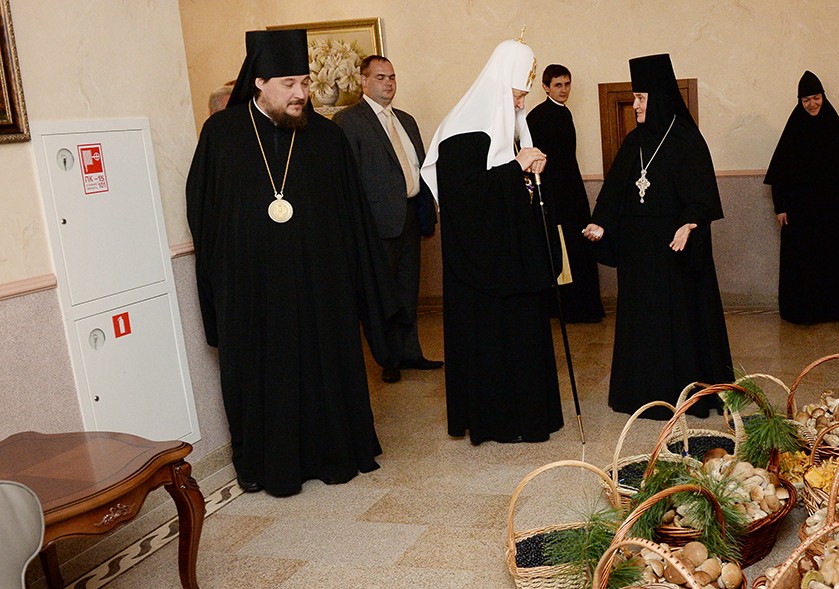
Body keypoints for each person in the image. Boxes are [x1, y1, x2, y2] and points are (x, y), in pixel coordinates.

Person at [186, 29, 408, 497]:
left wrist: (361, 285)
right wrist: (221, 284)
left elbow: (353, 219)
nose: (301, 94)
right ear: (259, 82)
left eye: (305, 83)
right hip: (253, 292)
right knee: (263, 376)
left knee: (323, 368)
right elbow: (204, 216)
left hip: (320, 288)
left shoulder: (326, 138)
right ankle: (263, 462)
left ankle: (335, 452)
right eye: (289, 84)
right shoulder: (222, 136)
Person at [420, 37, 564, 444]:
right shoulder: (462, 131)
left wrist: (531, 174)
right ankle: (498, 421)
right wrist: (516, 168)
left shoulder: (508, 126)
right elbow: (464, 200)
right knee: (493, 342)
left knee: (522, 337)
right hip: (482, 269)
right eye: (518, 92)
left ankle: (528, 415)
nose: (521, 101)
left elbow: (510, 187)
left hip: (514, 261)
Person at [583, 53, 732, 419]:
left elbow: (701, 196)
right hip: (637, 253)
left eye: (640, 98)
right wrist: (601, 222)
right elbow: (614, 191)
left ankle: (682, 393)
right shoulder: (633, 142)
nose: (635, 105)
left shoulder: (687, 140)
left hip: (672, 250)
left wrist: (689, 222)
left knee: (676, 321)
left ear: (660, 99)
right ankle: (641, 392)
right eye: (634, 98)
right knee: (642, 322)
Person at [336, 55, 442, 382]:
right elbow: (347, 179)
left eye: (392, 77)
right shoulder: (349, 121)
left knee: (407, 291)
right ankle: (388, 359)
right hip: (376, 225)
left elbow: (418, 167)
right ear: (363, 81)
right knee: (381, 296)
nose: (388, 83)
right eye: (380, 77)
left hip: (409, 217)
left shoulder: (405, 120)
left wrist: (428, 214)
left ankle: (410, 353)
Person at [764, 71, 839, 324]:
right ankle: (806, 311)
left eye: (815, 97)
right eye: (806, 100)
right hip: (800, 211)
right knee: (804, 261)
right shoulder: (793, 131)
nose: (812, 104)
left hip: (833, 209)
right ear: (800, 102)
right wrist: (779, 207)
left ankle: (837, 309)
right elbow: (779, 174)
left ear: (823, 97)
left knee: (835, 257)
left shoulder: (835, 128)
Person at [525, 64, 605, 323]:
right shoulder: (537, 117)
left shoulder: (564, 113)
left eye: (567, 84)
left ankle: (581, 306)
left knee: (577, 247)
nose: (564, 90)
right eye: (558, 85)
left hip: (571, 192)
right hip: (553, 195)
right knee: (562, 249)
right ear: (545, 87)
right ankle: (568, 308)